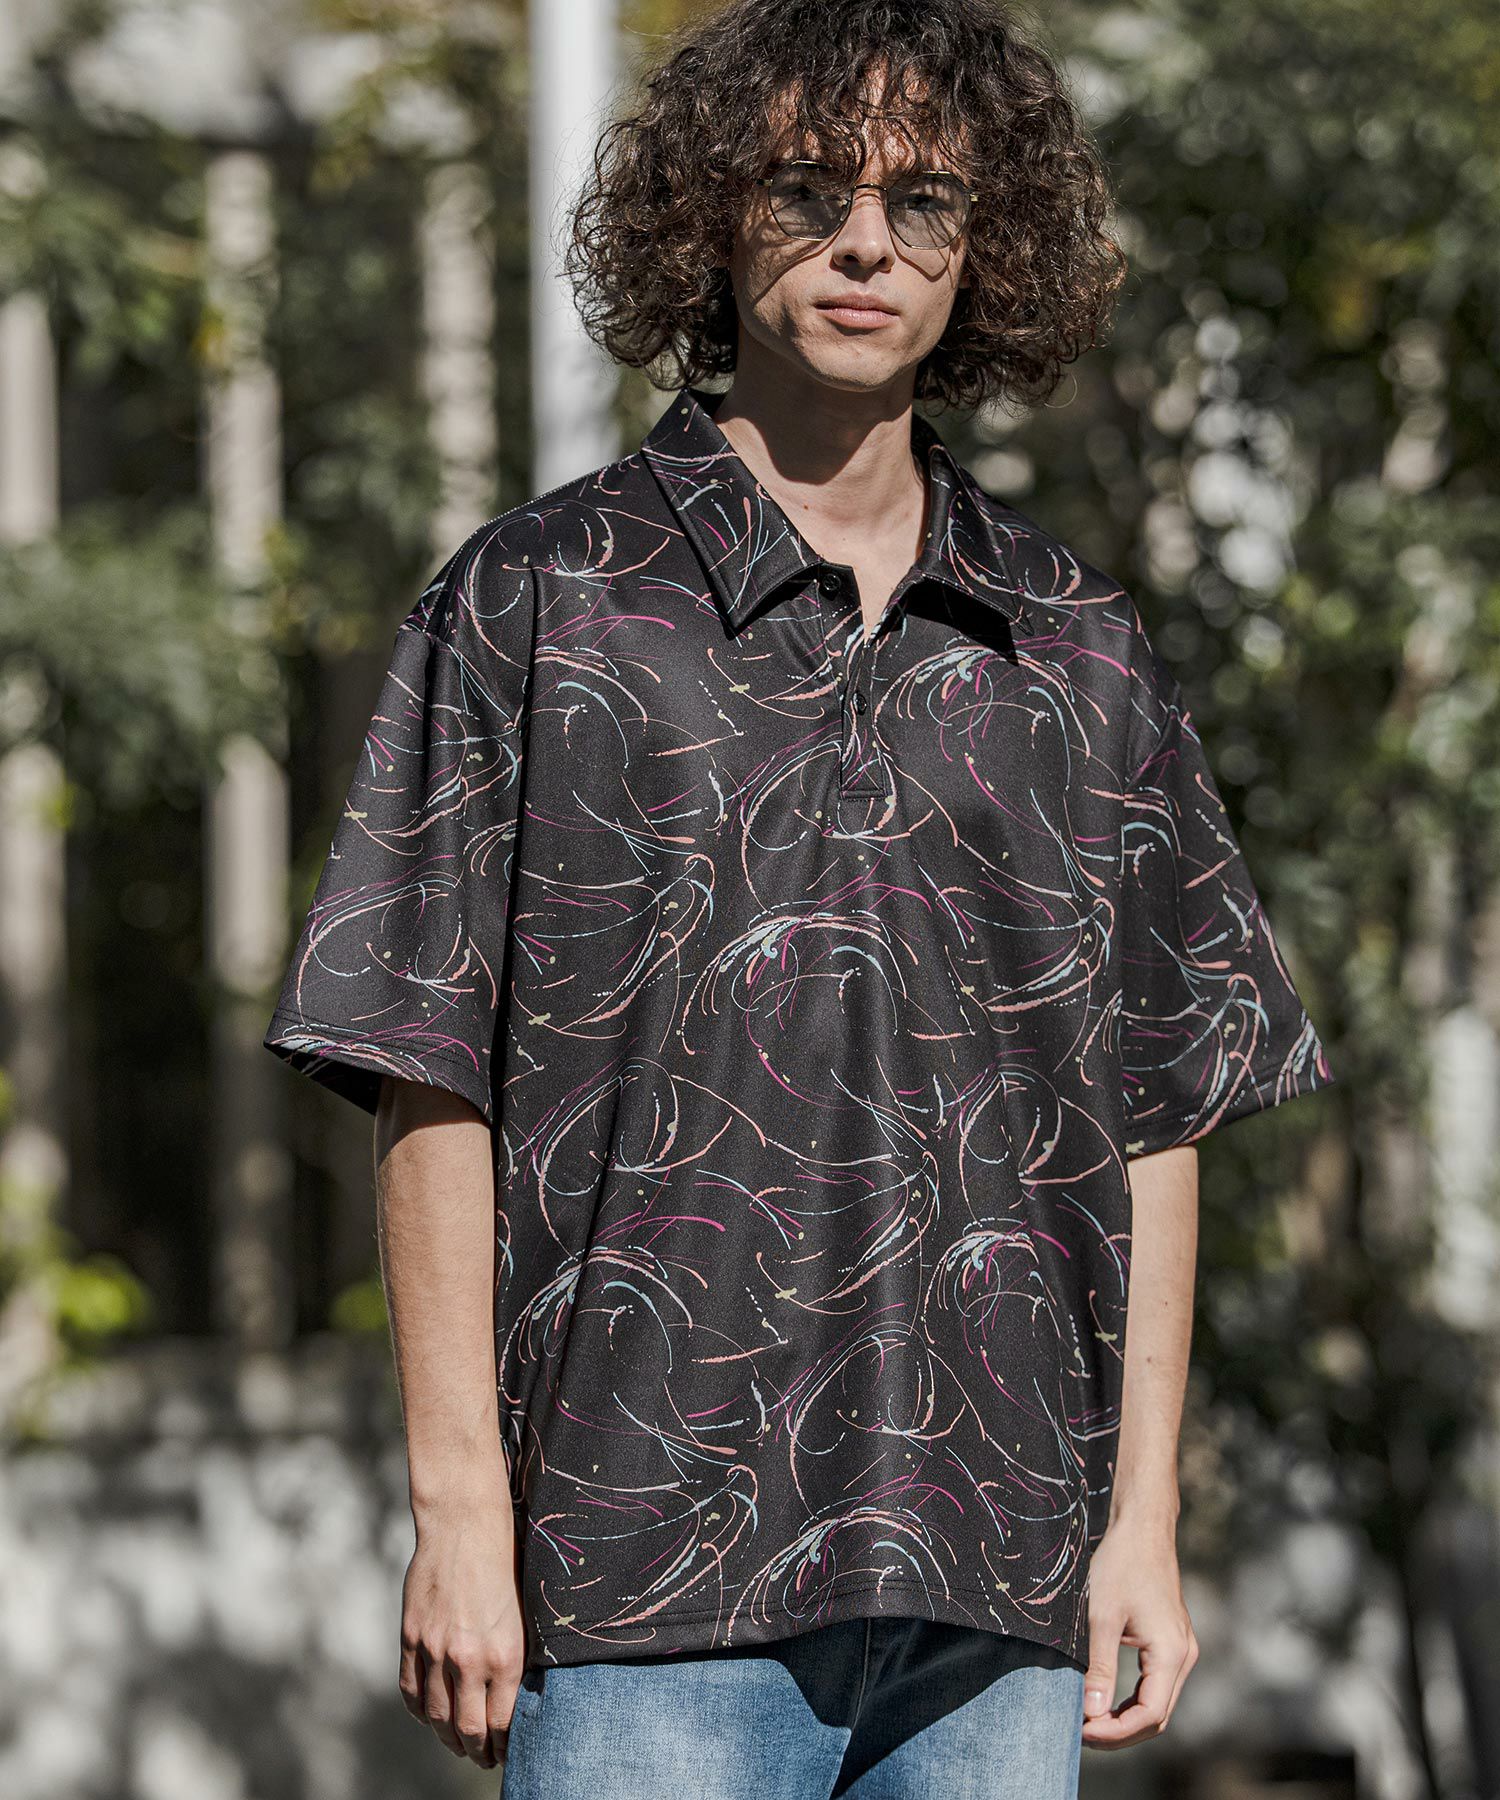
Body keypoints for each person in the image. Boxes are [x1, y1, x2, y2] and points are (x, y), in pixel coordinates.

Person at [263, 1, 1337, 1794]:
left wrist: (1142, 1519)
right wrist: (457, 1511)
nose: (865, 243)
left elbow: (1157, 1106)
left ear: (986, 249)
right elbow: (423, 1065)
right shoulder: (541, 602)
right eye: (807, 188)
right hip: (638, 1582)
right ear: (711, 214)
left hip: (999, 1592)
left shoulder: (1075, 646)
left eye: (924, 200)